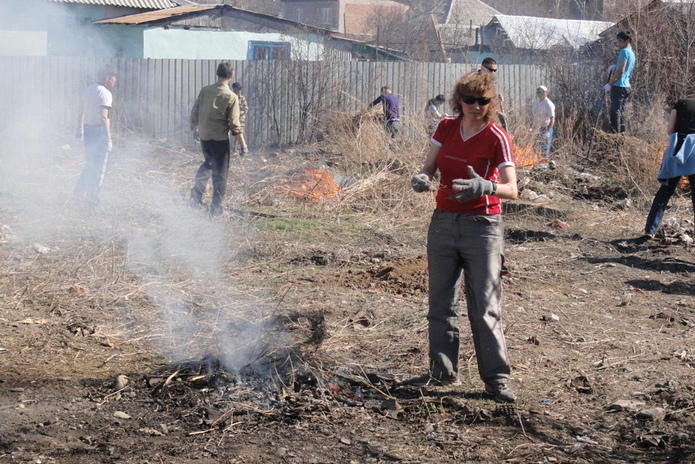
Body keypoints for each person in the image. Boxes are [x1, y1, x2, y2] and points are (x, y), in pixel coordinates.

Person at [409, 71, 518, 403]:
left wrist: (486, 185)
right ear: (459, 101)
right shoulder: (445, 127)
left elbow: (512, 188)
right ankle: (441, 371)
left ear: (490, 102)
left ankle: (496, 379)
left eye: (483, 101)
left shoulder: (496, 136)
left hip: (482, 225)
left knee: (484, 306)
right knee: (440, 303)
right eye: (469, 100)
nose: (476, 106)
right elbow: (429, 166)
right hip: (443, 221)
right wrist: (422, 177)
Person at [189, 62, 248, 216]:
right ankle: (215, 208)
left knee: (207, 164)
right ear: (231, 75)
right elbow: (235, 125)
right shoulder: (231, 97)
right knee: (220, 173)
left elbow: (194, 112)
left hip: (205, 138)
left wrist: (195, 128)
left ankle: (195, 198)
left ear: (217, 73)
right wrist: (243, 146)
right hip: (220, 140)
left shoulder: (205, 90)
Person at [644, 98, 695, 237]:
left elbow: (670, 130)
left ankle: (650, 230)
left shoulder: (681, 103)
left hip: (677, 149)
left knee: (665, 191)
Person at [74, 66, 117, 208]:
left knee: (90, 163)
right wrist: (109, 139)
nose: (114, 82)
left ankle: (78, 193)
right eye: (113, 79)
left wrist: (80, 129)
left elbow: (81, 110)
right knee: (99, 168)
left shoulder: (88, 89)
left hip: (88, 130)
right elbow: (103, 117)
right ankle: (92, 200)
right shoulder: (105, 93)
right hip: (99, 133)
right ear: (107, 79)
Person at [608, 31, 636, 133]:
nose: (619, 43)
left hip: (619, 86)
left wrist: (609, 83)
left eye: (620, 41)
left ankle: (616, 136)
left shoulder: (624, 51)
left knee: (615, 112)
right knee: (622, 112)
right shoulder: (631, 52)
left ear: (627, 41)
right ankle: (623, 134)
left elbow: (621, 71)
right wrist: (615, 67)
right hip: (626, 86)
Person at [479, 57, 507, 130]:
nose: (493, 73)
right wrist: (497, 113)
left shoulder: (490, 83)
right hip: (477, 121)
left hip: (487, 120)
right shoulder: (477, 82)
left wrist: (498, 99)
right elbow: (479, 104)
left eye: (495, 70)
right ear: (482, 68)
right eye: (491, 70)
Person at [532, 85, 555, 158]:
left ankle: (544, 163)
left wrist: (548, 131)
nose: (539, 94)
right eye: (538, 92)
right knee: (536, 147)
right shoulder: (536, 103)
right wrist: (531, 127)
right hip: (536, 128)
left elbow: (552, 118)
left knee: (544, 148)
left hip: (545, 128)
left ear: (546, 93)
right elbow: (533, 116)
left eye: (541, 92)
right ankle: (537, 162)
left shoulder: (549, 104)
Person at [231, 82, 249, 156]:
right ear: (234, 89)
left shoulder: (241, 98)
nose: (239, 91)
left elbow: (246, 108)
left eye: (240, 90)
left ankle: (238, 149)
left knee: (239, 133)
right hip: (231, 118)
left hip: (240, 119)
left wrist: (239, 112)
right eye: (238, 89)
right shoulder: (231, 97)